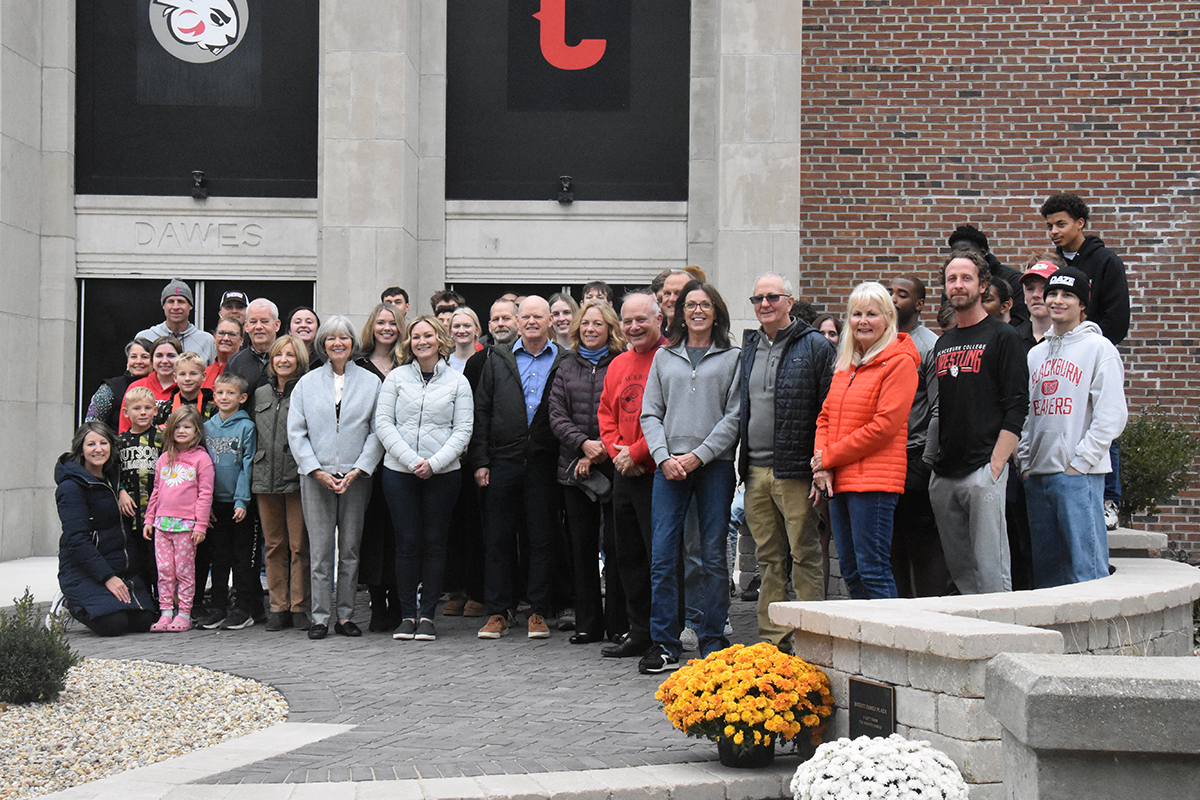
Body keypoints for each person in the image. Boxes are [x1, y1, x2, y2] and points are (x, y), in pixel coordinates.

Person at [638, 280, 741, 673]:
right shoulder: (665, 359)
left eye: (705, 305)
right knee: (664, 556)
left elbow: (735, 417)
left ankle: (712, 638)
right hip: (668, 469)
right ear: (680, 312)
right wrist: (664, 457)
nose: (698, 311)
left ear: (716, 312)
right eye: (690, 305)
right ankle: (664, 643)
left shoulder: (733, 358)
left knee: (713, 556)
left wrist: (699, 455)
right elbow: (650, 412)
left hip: (713, 468)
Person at [738, 272, 834, 649]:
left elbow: (827, 409)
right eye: (758, 298)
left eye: (773, 297)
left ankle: (813, 638)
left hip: (796, 470)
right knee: (768, 558)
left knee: (805, 553)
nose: (765, 304)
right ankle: (773, 639)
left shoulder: (814, 347)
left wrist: (820, 466)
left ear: (790, 302)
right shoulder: (749, 347)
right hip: (755, 470)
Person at [925, 250, 1029, 595]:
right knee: (961, 572)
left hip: (984, 469)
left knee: (991, 572)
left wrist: (996, 465)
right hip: (945, 472)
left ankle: (1003, 637)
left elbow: (1017, 406)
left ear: (983, 285)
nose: (958, 285)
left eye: (966, 278)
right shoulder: (943, 343)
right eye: (951, 279)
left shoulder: (1003, 337)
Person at [1019, 266, 1127, 588]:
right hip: (1037, 475)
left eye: (1068, 294)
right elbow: (1026, 414)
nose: (1057, 300)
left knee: (1087, 571)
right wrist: (1025, 462)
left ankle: (1096, 640)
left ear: (1083, 304)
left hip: (1078, 476)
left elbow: (1112, 415)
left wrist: (1080, 463)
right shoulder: (1035, 355)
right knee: (1048, 578)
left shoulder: (1099, 348)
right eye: (1053, 293)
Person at [811, 282, 919, 600]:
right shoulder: (847, 364)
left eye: (872, 314)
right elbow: (825, 418)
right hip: (841, 480)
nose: (863, 321)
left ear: (887, 318)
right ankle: (862, 643)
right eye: (856, 314)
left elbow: (884, 426)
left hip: (874, 484)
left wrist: (828, 458)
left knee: (873, 570)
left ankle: (891, 645)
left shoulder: (899, 362)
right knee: (851, 570)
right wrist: (821, 466)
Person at [469, 296, 566, 640]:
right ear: (518, 320)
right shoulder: (498, 359)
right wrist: (480, 460)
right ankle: (498, 612)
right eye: (525, 316)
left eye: (538, 316)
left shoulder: (564, 361)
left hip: (544, 463)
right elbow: (482, 411)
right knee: (497, 540)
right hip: (502, 462)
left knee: (541, 539)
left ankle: (537, 611)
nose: (531, 322)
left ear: (550, 321)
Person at [377, 316, 474, 642]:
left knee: (434, 543)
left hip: (443, 475)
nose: (422, 341)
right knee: (406, 543)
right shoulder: (396, 378)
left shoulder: (458, 382)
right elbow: (383, 424)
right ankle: (407, 616)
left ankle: (428, 616)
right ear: (410, 342)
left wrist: (434, 463)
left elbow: (463, 431)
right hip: (399, 472)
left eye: (428, 335)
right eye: (416, 336)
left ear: (439, 339)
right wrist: (411, 459)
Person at [288, 316, 384, 640]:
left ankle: (345, 616)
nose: (337, 343)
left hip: (357, 476)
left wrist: (361, 467)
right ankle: (319, 617)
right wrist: (314, 469)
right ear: (323, 344)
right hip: (316, 476)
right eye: (331, 338)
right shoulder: (306, 383)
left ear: (353, 343)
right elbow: (296, 432)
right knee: (320, 550)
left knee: (351, 548)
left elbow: (376, 429)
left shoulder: (371, 383)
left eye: (344, 338)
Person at [1040, 192, 1132, 531]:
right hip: (1057, 351)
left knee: (1102, 417)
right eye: (1049, 225)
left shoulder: (1106, 261)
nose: (1054, 231)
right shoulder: (1056, 264)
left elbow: (1118, 317)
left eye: (1061, 224)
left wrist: (1086, 340)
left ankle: (1110, 499)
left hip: (1093, 350)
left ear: (1081, 223)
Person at [549, 300, 628, 644]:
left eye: (598, 324)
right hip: (574, 469)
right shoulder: (565, 367)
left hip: (614, 466)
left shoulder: (621, 364)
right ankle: (587, 624)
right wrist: (583, 445)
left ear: (610, 328)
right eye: (586, 324)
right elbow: (556, 415)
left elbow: (627, 413)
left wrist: (599, 452)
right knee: (580, 549)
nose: (591, 330)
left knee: (616, 546)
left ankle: (618, 623)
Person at [597, 292, 665, 659]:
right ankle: (638, 631)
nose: (635, 327)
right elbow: (606, 413)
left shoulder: (670, 358)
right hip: (624, 471)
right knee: (629, 557)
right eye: (628, 321)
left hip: (657, 471)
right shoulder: (618, 363)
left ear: (659, 319)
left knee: (660, 558)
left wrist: (637, 452)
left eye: (642, 319)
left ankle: (663, 634)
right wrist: (618, 453)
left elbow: (671, 415)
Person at [56, 421, 158, 636]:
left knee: (144, 620)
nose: (98, 449)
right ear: (80, 449)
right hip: (84, 569)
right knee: (114, 624)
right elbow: (76, 539)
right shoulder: (71, 487)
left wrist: (120, 490)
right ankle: (72, 602)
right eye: (91, 444)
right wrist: (107, 578)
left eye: (103, 442)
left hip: (119, 565)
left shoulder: (114, 479)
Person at [888, 275, 948, 598]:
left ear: (920, 304)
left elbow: (939, 407)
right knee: (892, 546)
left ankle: (930, 613)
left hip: (915, 458)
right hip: (884, 459)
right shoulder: (881, 342)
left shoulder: (930, 346)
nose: (894, 299)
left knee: (923, 546)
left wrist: (926, 461)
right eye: (890, 293)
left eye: (902, 294)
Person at [254, 335, 312, 632]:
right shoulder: (260, 394)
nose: (284, 360)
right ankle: (279, 606)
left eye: (290, 355)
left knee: (299, 544)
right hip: (264, 476)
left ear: (299, 359)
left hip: (296, 475)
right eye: (279, 355)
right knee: (274, 545)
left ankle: (300, 605)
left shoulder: (305, 390)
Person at [195, 373, 258, 631]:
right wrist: (205, 505)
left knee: (242, 558)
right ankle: (218, 606)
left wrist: (242, 501)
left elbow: (247, 465)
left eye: (230, 393)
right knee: (218, 558)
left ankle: (243, 607)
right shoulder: (207, 428)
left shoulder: (247, 427)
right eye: (219, 393)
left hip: (239, 504)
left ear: (242, 398)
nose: (224, 398)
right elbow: (202, 468)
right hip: (214, 504)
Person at [143, 406, 215, 632]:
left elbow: (205, 493)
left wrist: (200, 524)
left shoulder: (202, 459)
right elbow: (156, 489)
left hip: (186, 525)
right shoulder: (164, 458)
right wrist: (149, 519)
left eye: (187, 427)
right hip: (161, 524)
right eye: (178, 427)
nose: (182, 431)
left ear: (197, 431)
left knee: (184, 571)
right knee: (164, 570)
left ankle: (184, 613)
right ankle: (166, 612)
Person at [357, 303, 402, 631]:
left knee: (401, 531)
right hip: (366, 461)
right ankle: (376, 601)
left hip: (402, 459)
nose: (387, 328)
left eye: (393, 323)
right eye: (381, 322)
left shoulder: (410, 361)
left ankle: (399, 599)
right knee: (372, 532)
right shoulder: (358, 364)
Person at [115, 386, 164, 601]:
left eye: (147, 408)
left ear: (155, 410)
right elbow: (112, 473)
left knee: (157, 562)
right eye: (136, 408)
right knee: (138, 561)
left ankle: (161, 602)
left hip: (159, 513)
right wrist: (121, 491)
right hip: (131, 514)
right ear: (126, 413)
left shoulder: (162, 438)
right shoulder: (119, 442)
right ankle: (144, 601)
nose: (142, 412)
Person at [947, 224, 1029, 327]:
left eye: (966, 252)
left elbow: (1022, 319)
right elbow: (947, 319)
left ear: (983, 252)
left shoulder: (1012, 279)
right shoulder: (954, 284)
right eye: (955, 254)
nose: (962, 258)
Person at [136, 278, 217, 364]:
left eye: (181, 302)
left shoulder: (206, 340)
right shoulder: (145, 337)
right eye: (171, 301)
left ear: (190, 306)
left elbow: (214, 374)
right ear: (163, 306)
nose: (175, 307)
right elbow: (133, 374)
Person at [85, 338, 154, 432]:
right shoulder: (110, 388)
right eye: (133, 357)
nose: (138, 361)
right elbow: (91, 424)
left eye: (144, 357)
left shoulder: (162, 387)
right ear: (127, 360)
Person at [119, 336, 182, 433]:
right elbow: (124, 428)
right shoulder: (136, 387)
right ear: (152, 359)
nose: (164, 361)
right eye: (159, 355)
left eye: (171, 355)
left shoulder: (187, 387)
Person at [227, 299, 283, 399]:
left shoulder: (289, 359)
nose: (258, 327)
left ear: (277, 325)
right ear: (246, 326)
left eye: (264, 321)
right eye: (253, 322)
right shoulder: (235, 362)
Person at [1016, 254, 1065, 351]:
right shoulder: (1012, 337)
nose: (1035, 295)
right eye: (1030, 288)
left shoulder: (1076, 339)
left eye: (1044, 288)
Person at [203, 317, 243, 389]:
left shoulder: (245, 372)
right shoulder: (204, 373)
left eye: (232, 334)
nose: (225, 338)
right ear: (214, 336)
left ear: (241, 340)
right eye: (221, 333)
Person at [448, 307, 483, 372]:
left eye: (467, 326)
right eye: (457, 326)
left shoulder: (485, 362)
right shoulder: (444, 364)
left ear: (477, 330)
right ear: (450, 332)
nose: (461, 331)